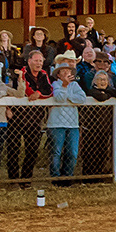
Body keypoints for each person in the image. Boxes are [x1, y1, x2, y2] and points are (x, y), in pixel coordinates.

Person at [46, 54, 87, 183]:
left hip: (73, 123)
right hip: (56, 123)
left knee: (72, 152)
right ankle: (55, 178)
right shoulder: (55, 84)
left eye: (68, 71)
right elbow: (59, 98)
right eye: (63, 71)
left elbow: (82, 98)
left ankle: (67, 177)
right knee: (56, 152)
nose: (66, 73)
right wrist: (65, 88)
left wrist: (68, 98)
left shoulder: (74, 85)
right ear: (58, 74)